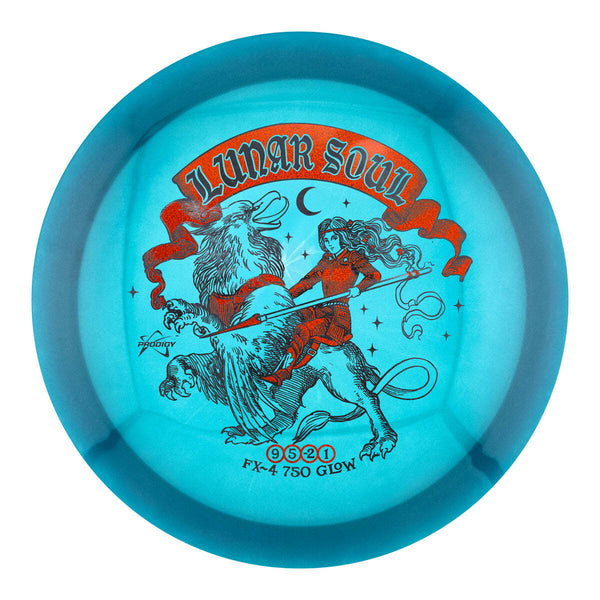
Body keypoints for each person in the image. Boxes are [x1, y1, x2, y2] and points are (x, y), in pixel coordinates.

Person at [262, 216, 413, 385]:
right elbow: (308, 281)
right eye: (326, 240)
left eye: (333, 238)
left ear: (342, 237)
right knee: (289, 317)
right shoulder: (326, 259)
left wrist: (358, 288)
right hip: (320, 309)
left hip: (337, 316)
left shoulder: (353, 257)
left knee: (304, 329)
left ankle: (284, 372)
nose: (330, 243)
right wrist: (285, 297)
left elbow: (374, 275)